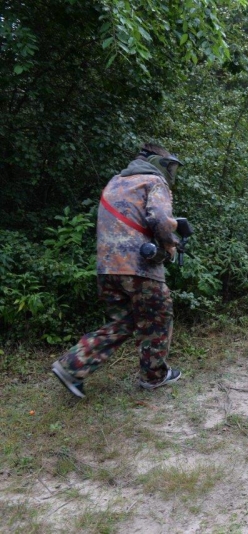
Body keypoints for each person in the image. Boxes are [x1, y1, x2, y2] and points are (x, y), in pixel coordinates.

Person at [51, 143, 184, 398]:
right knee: (157, 315)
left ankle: (71, 367)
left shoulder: (115, 182)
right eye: (170, 165)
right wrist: (170, 244)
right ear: (158, 163)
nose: (171, 172)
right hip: (138, 266)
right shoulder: (153, 181)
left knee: (122, 322)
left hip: (107, 267)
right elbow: (159, 218)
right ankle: (154, 376)